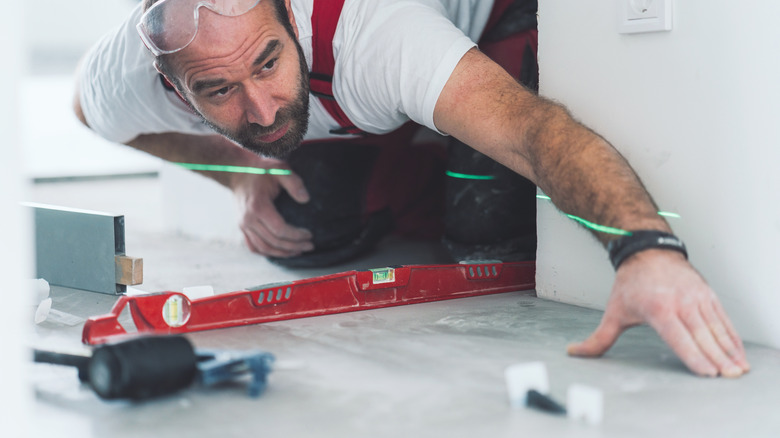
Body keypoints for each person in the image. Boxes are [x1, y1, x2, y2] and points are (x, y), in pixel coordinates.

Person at [73, 0, 750, 378]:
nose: (259, 110)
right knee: (314, 227)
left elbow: (533, 133)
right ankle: (414, 159)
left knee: (485, 233)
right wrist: (236, 173)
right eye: (219, 91)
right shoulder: (130, 72)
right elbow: (87, 115)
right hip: (365, 98)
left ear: (288, 16)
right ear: (171, 87)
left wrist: (646, 251)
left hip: (485, 22)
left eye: (267, 62)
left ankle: (447, 147)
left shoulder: (376, 36)